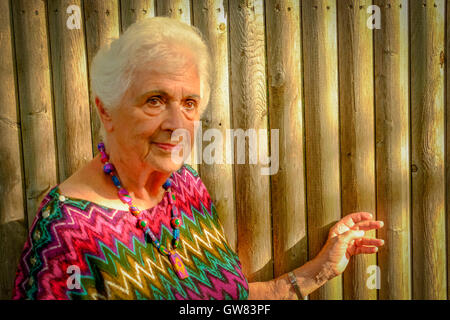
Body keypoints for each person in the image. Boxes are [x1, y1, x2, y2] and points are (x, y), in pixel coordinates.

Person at [12, 17, 384, 300]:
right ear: (106, 110)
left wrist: (317, 272)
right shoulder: (65, 235)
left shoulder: (185, 186)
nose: (176, 124)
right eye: (154, 100)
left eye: (189, 103)